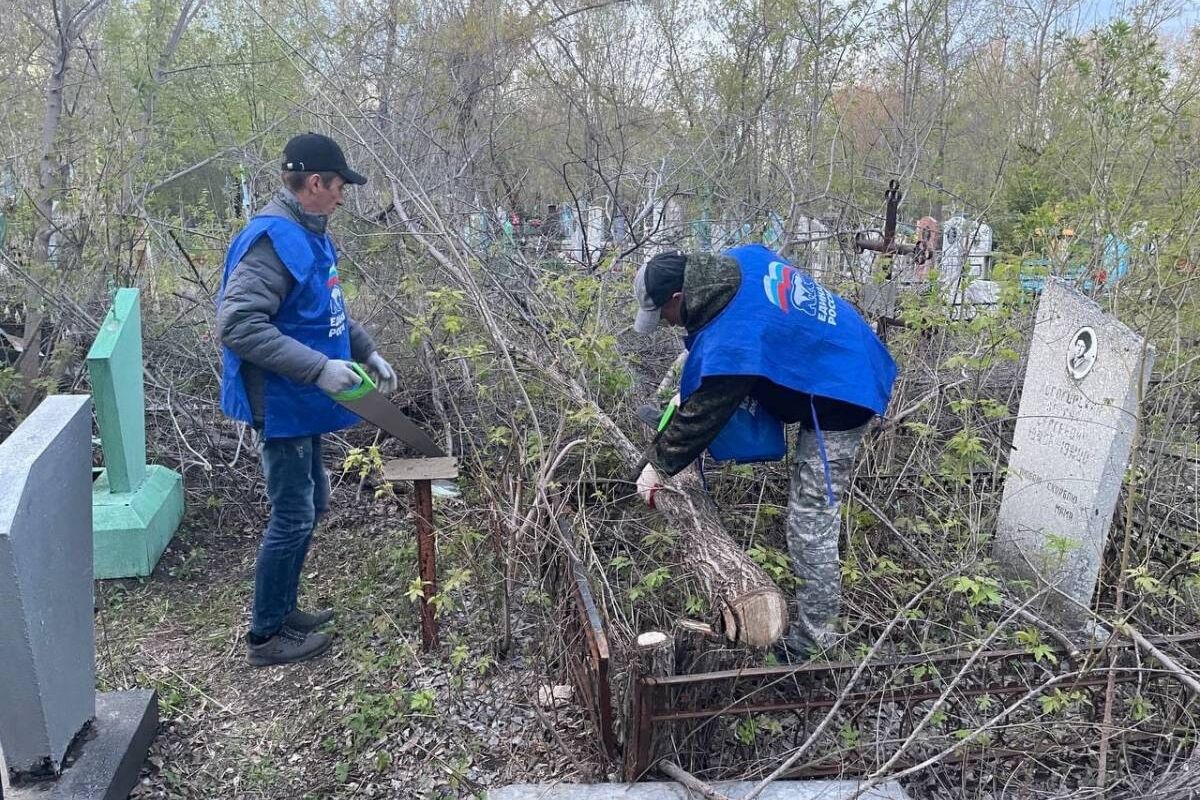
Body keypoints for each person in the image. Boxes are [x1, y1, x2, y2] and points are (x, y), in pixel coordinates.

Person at [632, 245, 897, 657]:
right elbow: (707, 349)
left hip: (846, 387)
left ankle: (814, 647)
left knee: (811, 521)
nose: (665, 325)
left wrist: (658, 466)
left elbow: (704, 415)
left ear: (679, 298)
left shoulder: (736, 336)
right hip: (836, 349)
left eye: (663, 315)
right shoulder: (739, 261)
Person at [218, 132, 398, 666]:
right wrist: (319, 369)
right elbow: (238, 325)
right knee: (295, 514)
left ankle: (283, 607)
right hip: (283, 401)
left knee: (312, 502)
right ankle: (266, 635)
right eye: (339, 185)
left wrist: (366, 351)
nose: (344, 195)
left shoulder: (309, 232)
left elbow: (327, 307)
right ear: (315, 183)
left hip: (304, 396)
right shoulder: (273, 239)